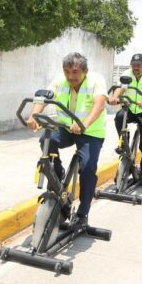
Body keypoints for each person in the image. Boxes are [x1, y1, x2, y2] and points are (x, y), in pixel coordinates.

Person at [26, 53, 107, 224]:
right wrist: (34, 115)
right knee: (46, 140)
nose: (70, 77)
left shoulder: (96, 80)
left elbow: (99, 104)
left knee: (87, 168)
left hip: (90, 131)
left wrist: (84, 123)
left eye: (75, 72)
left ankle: (83, 213)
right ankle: (58, 172)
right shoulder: (59, 81)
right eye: (67, 72)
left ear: (85, 70)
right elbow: (43, 97)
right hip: (67, 128)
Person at [108, 53, 142, 180]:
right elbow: (121, 87)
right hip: (130, 108)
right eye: (134, 65)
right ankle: (123, 140)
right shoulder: (127, 73)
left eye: (139, 65)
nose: (136, 68)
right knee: (119, 116)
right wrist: (115, 97)